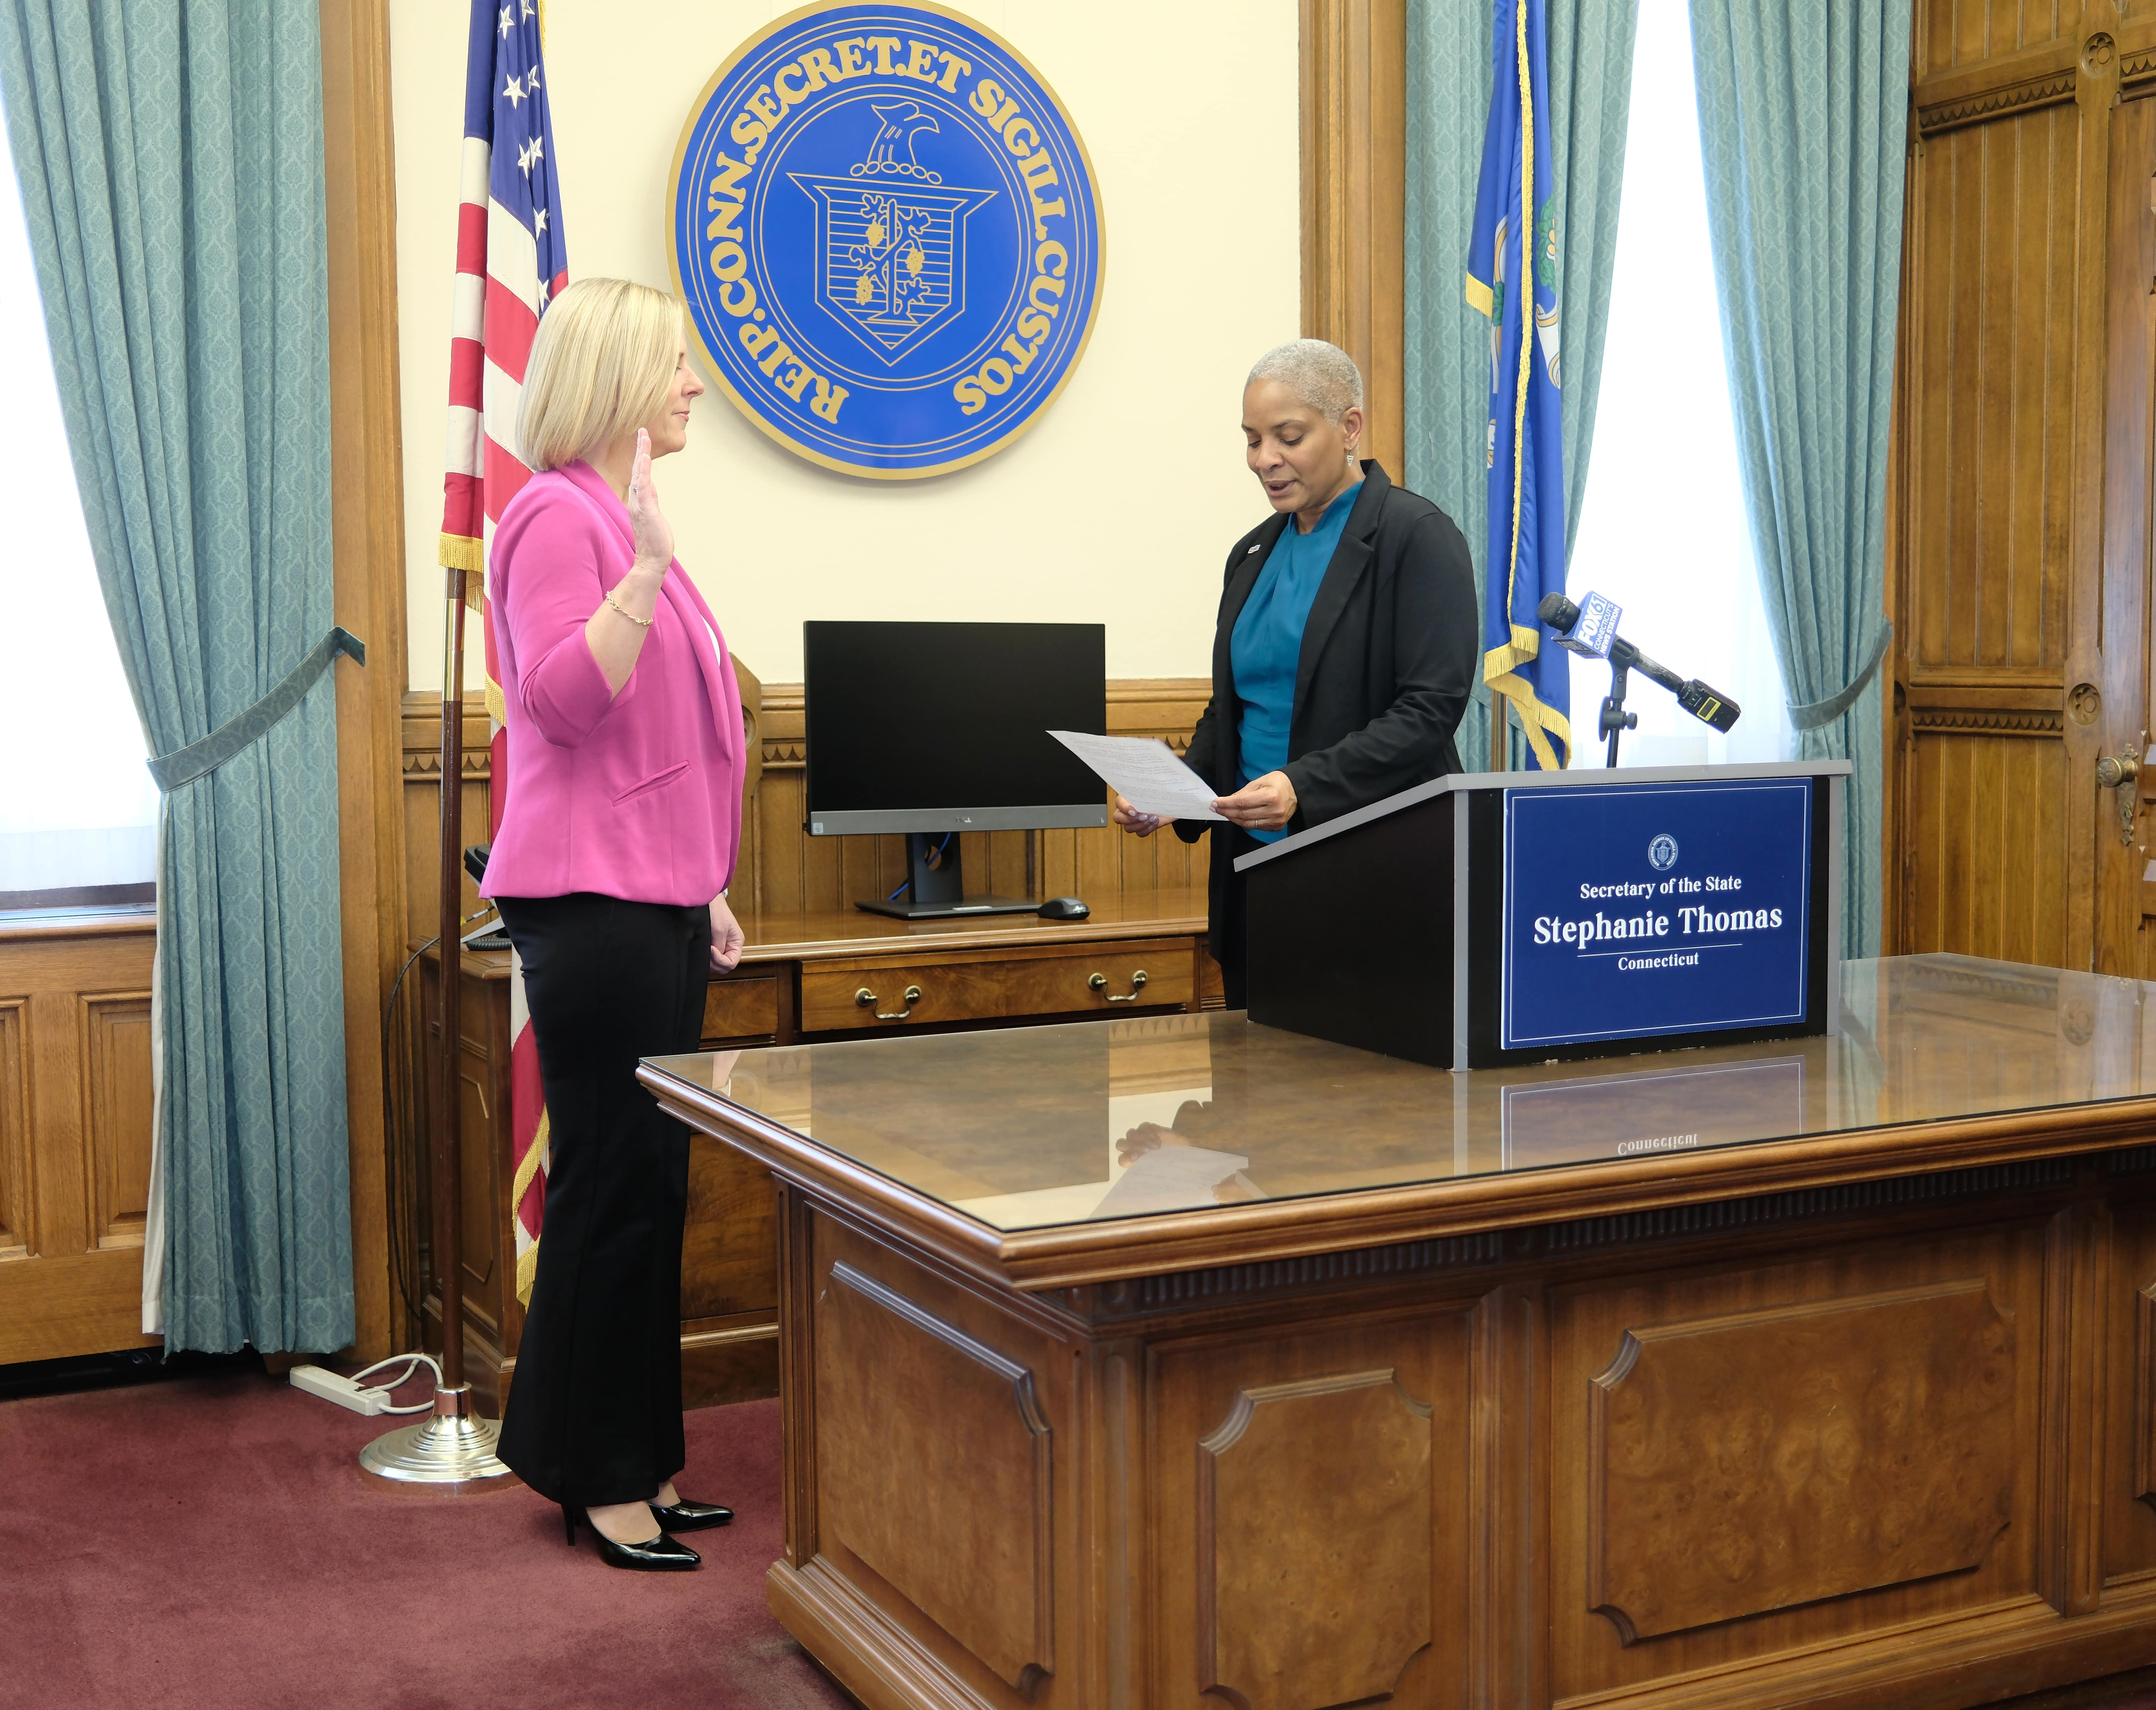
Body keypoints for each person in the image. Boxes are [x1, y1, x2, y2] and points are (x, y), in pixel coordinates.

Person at [479, 278, 747, 1572]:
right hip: (591, 907)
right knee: (611, 1188)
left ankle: (638, 1458)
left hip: (652, 897)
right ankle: (594, 1477)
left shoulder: (611, 513)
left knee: (654, 1182)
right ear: (621, 378)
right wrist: (643, 568)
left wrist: (707, 881)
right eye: (679, 364)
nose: (696, 384)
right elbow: (565, 703)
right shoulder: (553, 516)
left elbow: (671, 744)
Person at [1115, 339, 1478, 1005]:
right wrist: (1175, 788)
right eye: (1251, 440)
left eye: (1287, 436)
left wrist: (1302, 785)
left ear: (1348, 428)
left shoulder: (1416, 536)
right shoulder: (1250, 552)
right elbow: (1233, 708)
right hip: (1254, 872)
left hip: (1373, 873)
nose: (1263, 460)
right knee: (1249, 1090)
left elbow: (1428, 709)